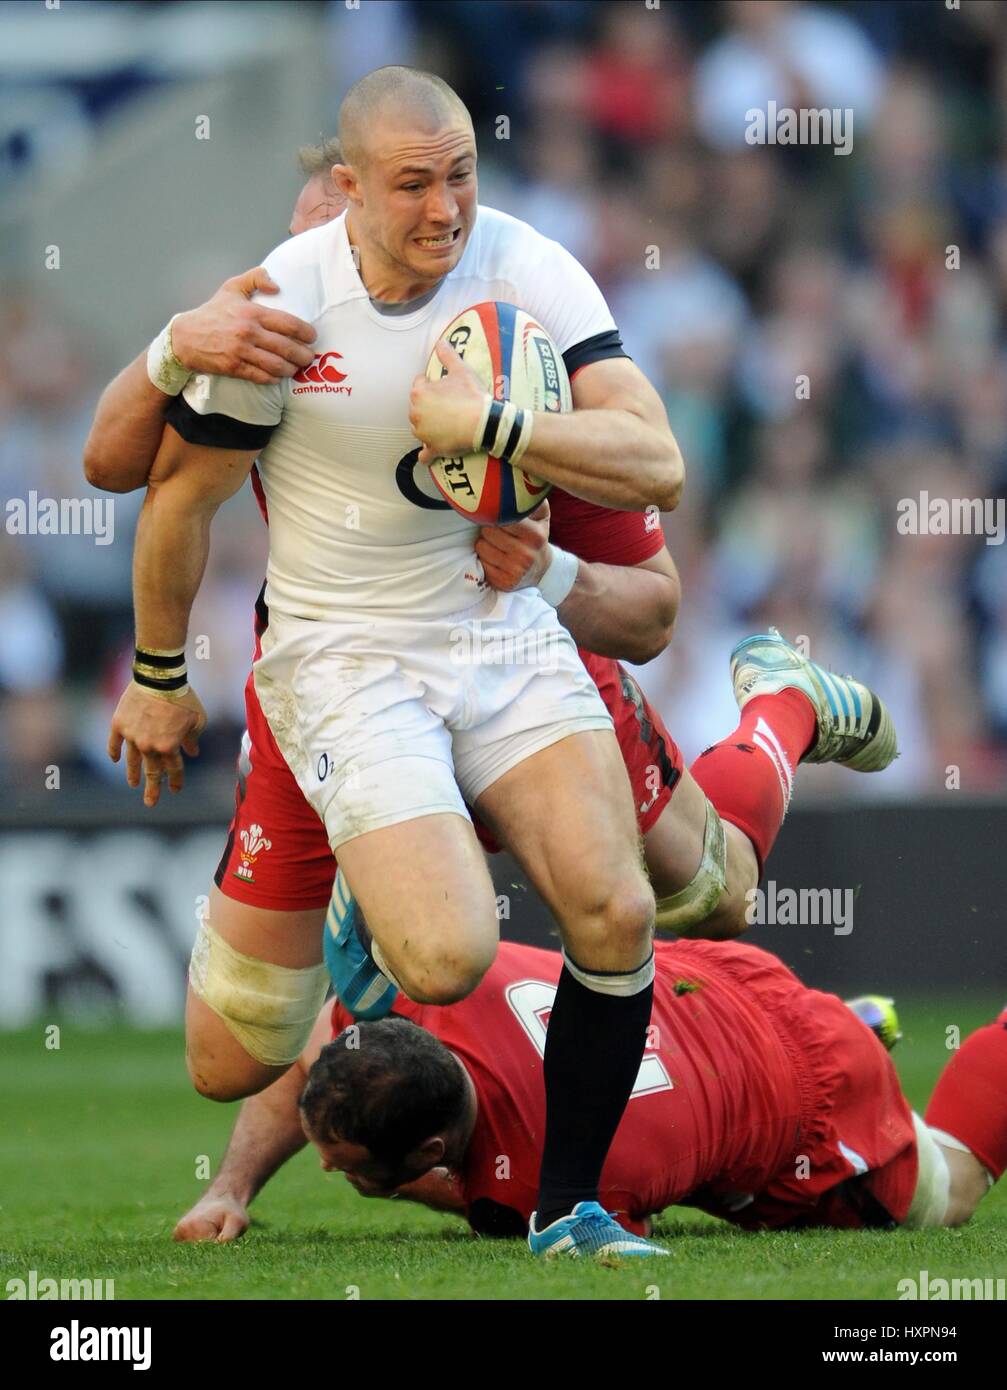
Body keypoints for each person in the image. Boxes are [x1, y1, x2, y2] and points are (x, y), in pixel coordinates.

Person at [86, 67, 894, 1258]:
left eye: (459, 173)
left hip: (509, 635)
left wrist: (500, 433)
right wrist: (159, 675)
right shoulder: (279, 307)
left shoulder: (525, 275)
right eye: (412, 184)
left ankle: (566, 1208)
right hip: (344, 662)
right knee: (414, 965)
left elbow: (655, 483)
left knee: (638, 903)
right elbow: (158, 491)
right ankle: (374, 897)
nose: (445, 208)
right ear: (347, 194)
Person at [173, 935, 1004, 1253]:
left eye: (346, 1163)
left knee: (951, 1188)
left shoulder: (540, 1190)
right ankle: (778, 715)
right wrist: (230, 1186)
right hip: (711, 982)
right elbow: (311, 1061)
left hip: (805, 1104)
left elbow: (471, 1190)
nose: (324, 1169)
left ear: (432, 1154)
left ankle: (869, 1046)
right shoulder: (432, 981)